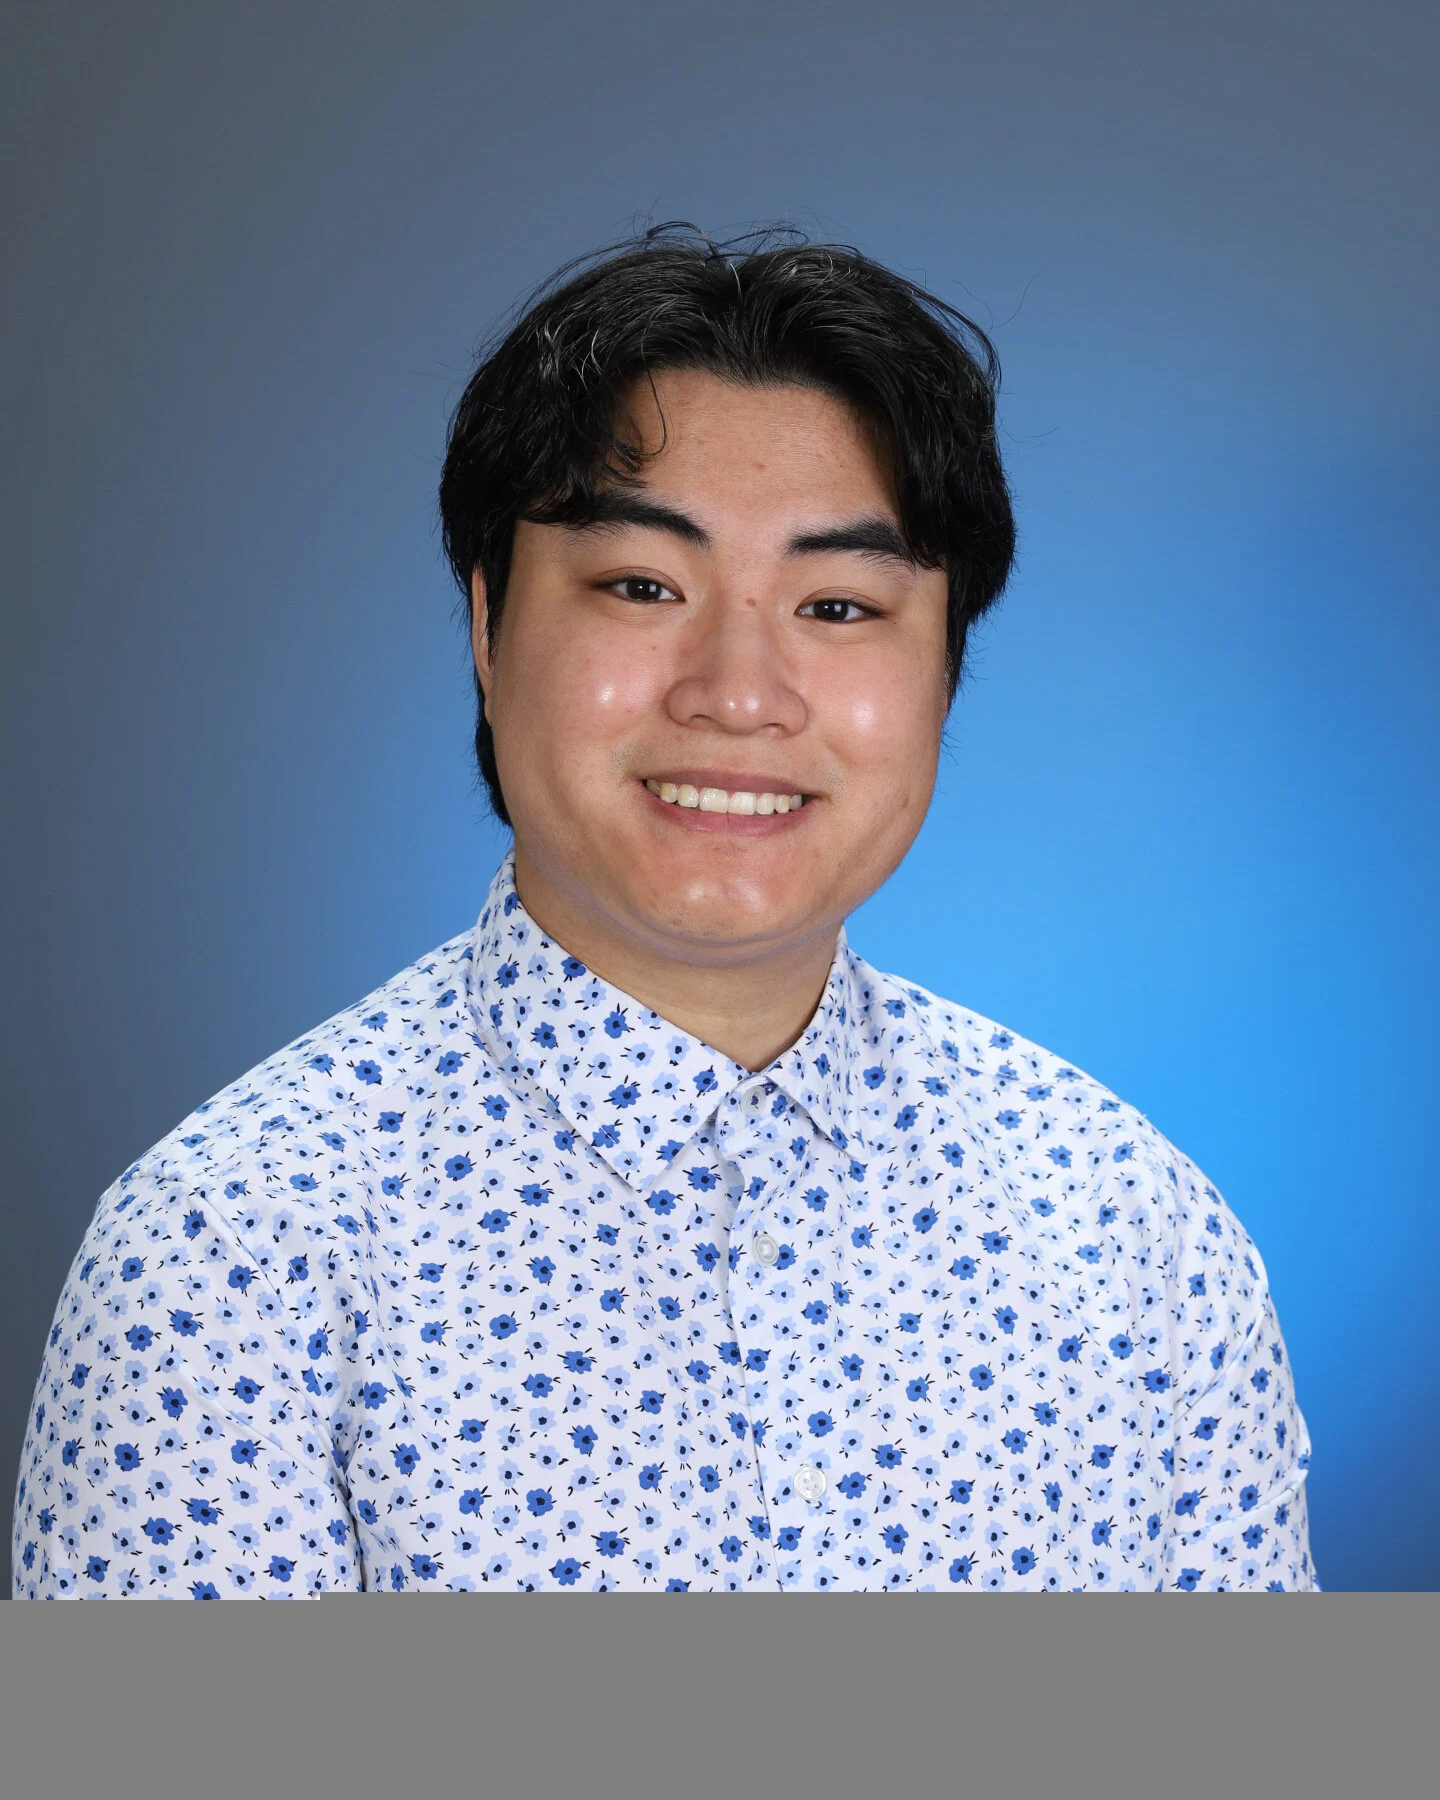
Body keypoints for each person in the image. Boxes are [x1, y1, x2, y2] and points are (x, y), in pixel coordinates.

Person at [11, 226, 1316, 1596]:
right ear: (487, 625)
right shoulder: (228, 1252)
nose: (739, 691)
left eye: (837, 602)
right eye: (643, 585)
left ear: (945, 673)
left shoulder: (1137, 1243)